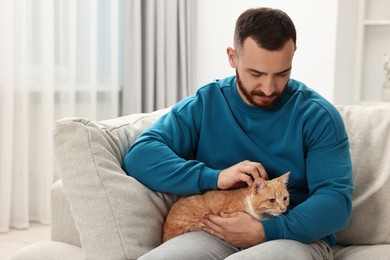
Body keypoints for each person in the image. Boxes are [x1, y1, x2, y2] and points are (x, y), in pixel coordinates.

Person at [122, 7, 353, 260]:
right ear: (233, 57)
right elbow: (140, 157)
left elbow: (336, 202)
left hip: (292, 236)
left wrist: (266, 230)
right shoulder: (206, 103)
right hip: (214, 231)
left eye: (281, 74)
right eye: (256, 74)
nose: (268, 88)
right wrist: (215, 177)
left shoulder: (318, 116)